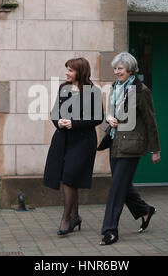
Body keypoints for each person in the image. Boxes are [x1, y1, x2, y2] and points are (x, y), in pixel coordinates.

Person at [97, 51, 161, 245]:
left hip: (132, 145)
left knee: (116, 188)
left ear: (130, 69)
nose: (117, 72)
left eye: (120, 69)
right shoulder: (115, 87)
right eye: (115, 68)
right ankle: (144, 210)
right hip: (115, 143)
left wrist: (155, 149)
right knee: (121, 185)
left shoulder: (141, 90)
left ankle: (110, 231)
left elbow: (151, 122)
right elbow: (110, 111)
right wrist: (108, 118)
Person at [43, 57, 104, 236]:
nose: (67, 73)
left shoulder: (93, 91)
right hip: (63, 139)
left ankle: (65, 219)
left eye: (70, 70)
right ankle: (75, 216)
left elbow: (97, 117)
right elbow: (55, 112)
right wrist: (59, 121)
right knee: (68, 179)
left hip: (83, 142)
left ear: (80, 71)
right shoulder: (63, 88)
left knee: (70, 177)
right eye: (67, 69)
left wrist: (74, 123)